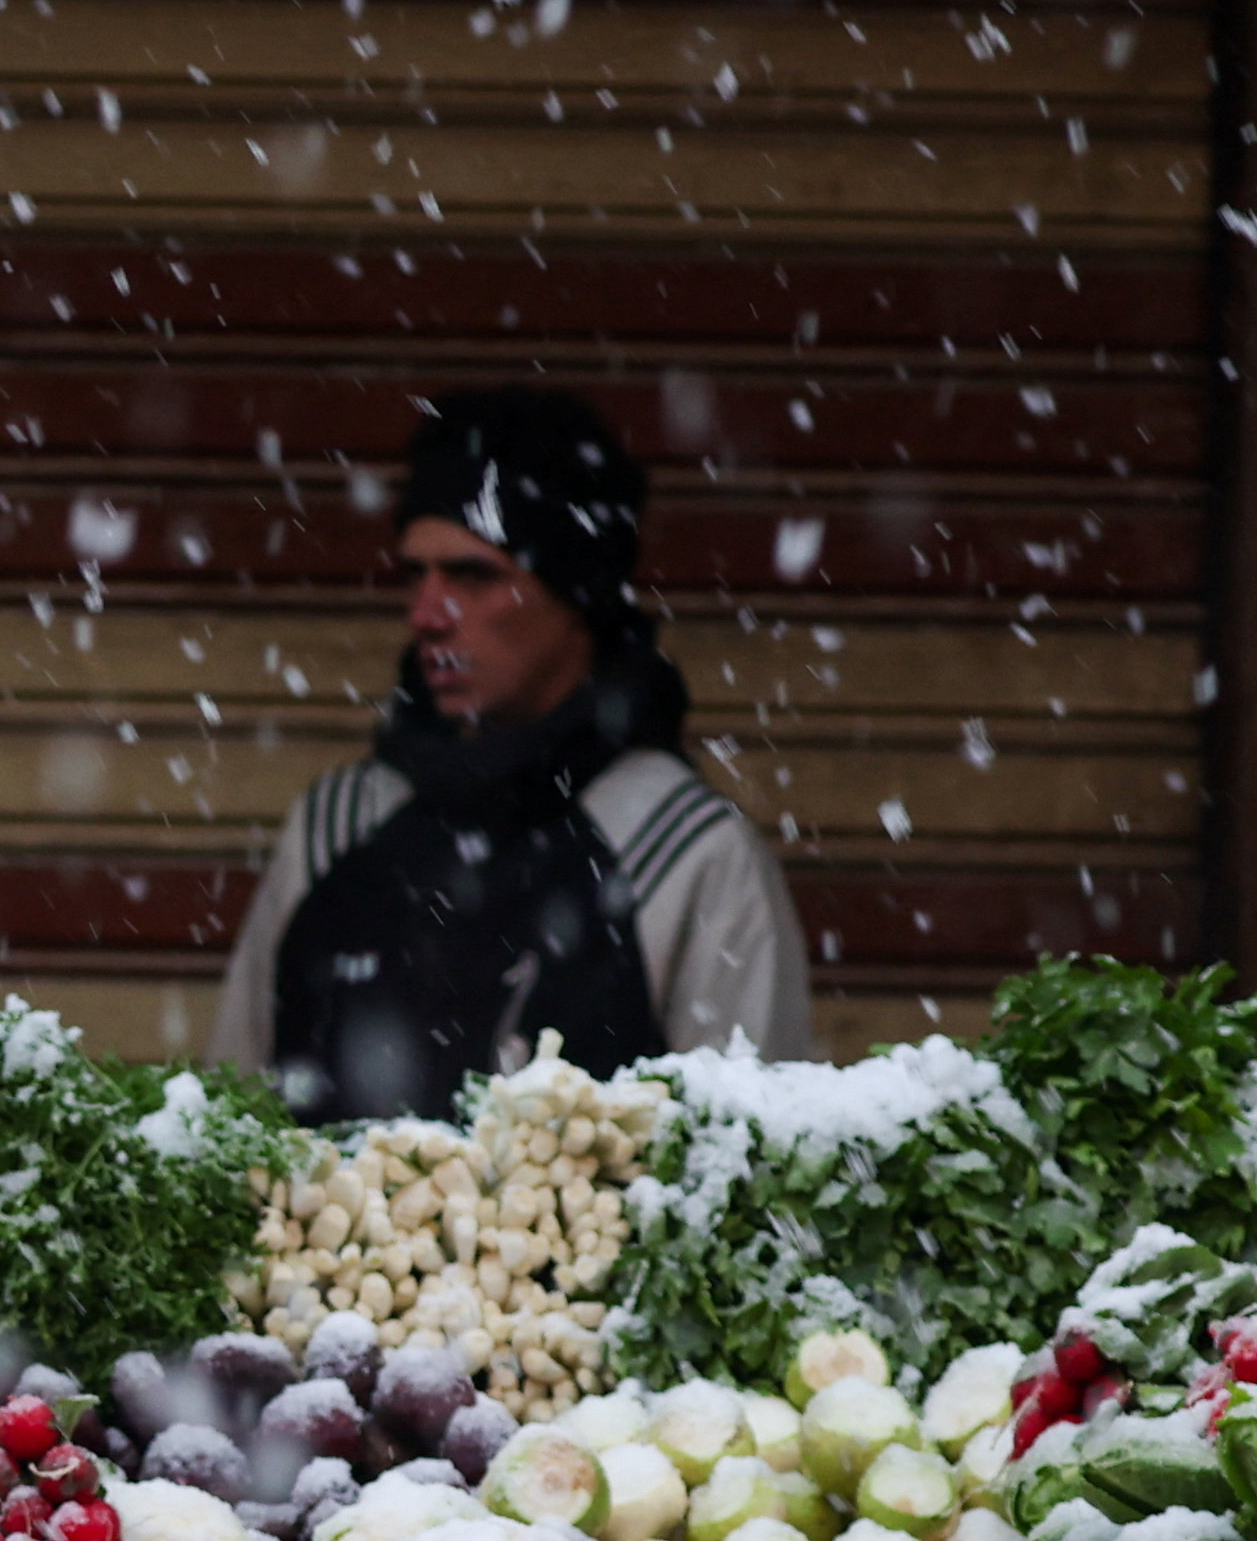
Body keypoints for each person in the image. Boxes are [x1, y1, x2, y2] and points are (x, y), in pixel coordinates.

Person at [213, 388, 810, 1119]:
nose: (426, 616)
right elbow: (227, 1131)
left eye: (472, 575)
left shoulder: (685, 851)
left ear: (576, 593)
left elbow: (748, 1179)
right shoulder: (338, 823)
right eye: (416, 574)